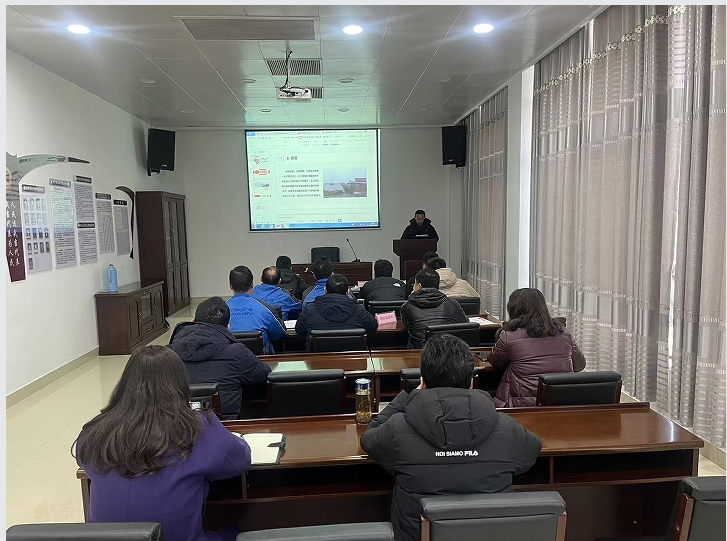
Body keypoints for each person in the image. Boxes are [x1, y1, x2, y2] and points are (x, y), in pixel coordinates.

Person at [360, 334, 542, 541]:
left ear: (423, 381)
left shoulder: (398, 428)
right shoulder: (506, 427)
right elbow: (533, 448)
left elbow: (369, 438)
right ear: (471, 382)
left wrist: (407, 396)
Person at [74, 345, 252, 541]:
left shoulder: (96, 431)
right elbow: (240, 461)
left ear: (125, 386)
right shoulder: (199, 427)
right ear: (181, 384)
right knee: (237, 528)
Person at [169, 297, 272, 420]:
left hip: (178, 426)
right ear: (228, 327)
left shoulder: (168, 353)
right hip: (226, 425)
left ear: (193, 321)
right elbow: (264, 375)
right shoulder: (237, 352)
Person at [487, 288, 586, 407]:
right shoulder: (564, 333)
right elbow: (580, 365)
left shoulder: (509, 336)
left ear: (513, 309)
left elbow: (494, 362)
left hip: (521, 406)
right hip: (560, 403)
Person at [295, 274, 378, 349]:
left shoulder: (309, 309)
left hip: (318, 359)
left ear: (325, 290)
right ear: (348, 292)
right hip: (352, 359)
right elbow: (373, 327)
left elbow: (300, 331)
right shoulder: (359, 310)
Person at [400, 268, 468, 348]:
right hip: (448, 350)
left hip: (419, 352)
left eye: (414, 284)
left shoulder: (407, 307)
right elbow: (465, 323)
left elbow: (406, 325)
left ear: (419, 286)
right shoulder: (452, 304)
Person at [226, 265, 286, 354]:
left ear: (231, 286)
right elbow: (279, 333)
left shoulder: (220, 310)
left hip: (229, 360)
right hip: (262, 360)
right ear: (252, 284)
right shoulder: (266, 309)